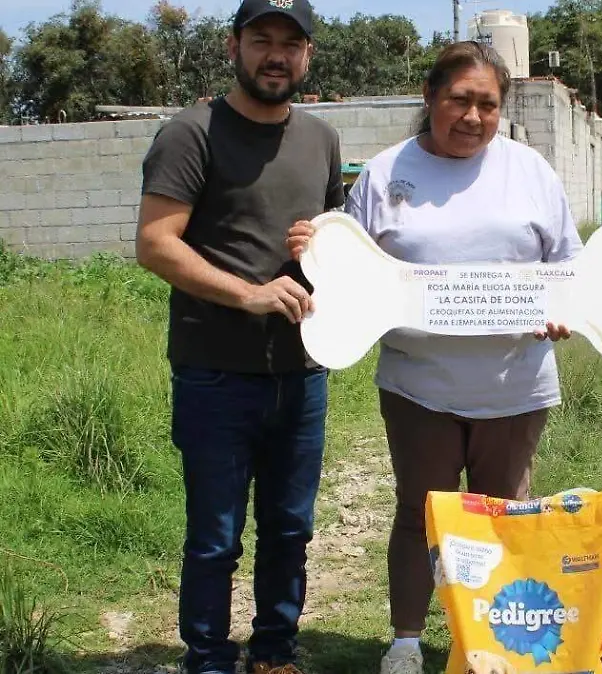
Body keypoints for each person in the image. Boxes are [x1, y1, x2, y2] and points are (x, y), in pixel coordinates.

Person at [287, 41, 580, 674]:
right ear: (430, 98)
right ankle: (407, 644)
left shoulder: (530, 171)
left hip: (515, 384)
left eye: (488, 104)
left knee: (504, 518)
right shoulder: (385, 173)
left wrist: (567, 312)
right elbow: (350, 272)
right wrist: (315, 248)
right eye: (460, 100)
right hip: (418, 385)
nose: (473, 117)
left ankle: (497, 643)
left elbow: (569, 268)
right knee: (420, 514)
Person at [134, 0, 344, 672]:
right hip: (215, 373)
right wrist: (250, 293)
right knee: (216, 539)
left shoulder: (321, 140)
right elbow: (155, 244)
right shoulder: (190, 134)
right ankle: (209, 658)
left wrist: (322, 248)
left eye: (291, 43)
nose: (276, 54)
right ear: (234, 47)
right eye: (262, 39)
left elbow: (341, 252)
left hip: (303, 372)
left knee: (290, 531)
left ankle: (275, 652)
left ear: (308, 55)